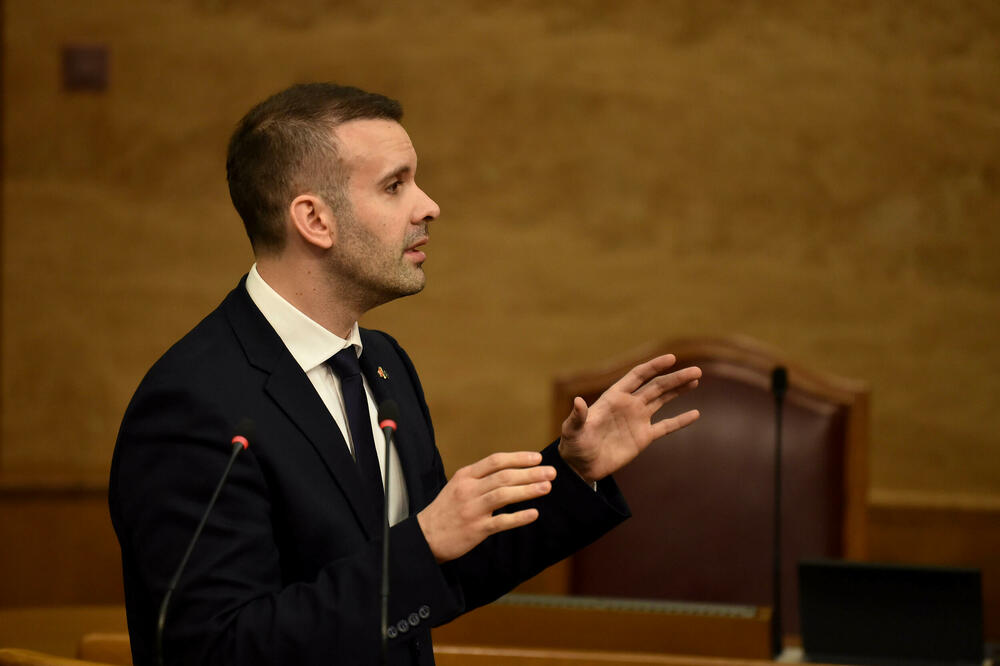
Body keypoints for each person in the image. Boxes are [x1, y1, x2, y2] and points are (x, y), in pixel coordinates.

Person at [109, 83, 702, 666]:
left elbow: (443, 569)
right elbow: (213, 649)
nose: (429, 206)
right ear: (315, 219)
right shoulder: (193, 402)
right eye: (396, 185)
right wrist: (418, 548)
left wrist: (573, 473)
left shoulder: (383, 362)